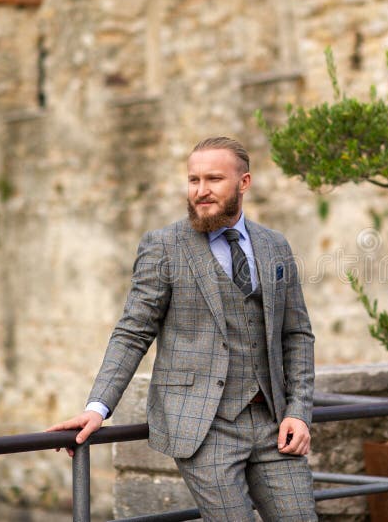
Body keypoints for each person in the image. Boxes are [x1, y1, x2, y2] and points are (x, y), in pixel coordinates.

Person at [48, 136, 317, 521]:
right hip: (204, 427)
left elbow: (297, 335)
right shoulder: (163, 246)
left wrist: (299, 411)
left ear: (244, 182)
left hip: (275, 423)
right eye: (193, 180)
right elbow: (133, 331)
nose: (201, 191)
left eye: (213, 180)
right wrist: (98, 407)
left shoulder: (275, 246)